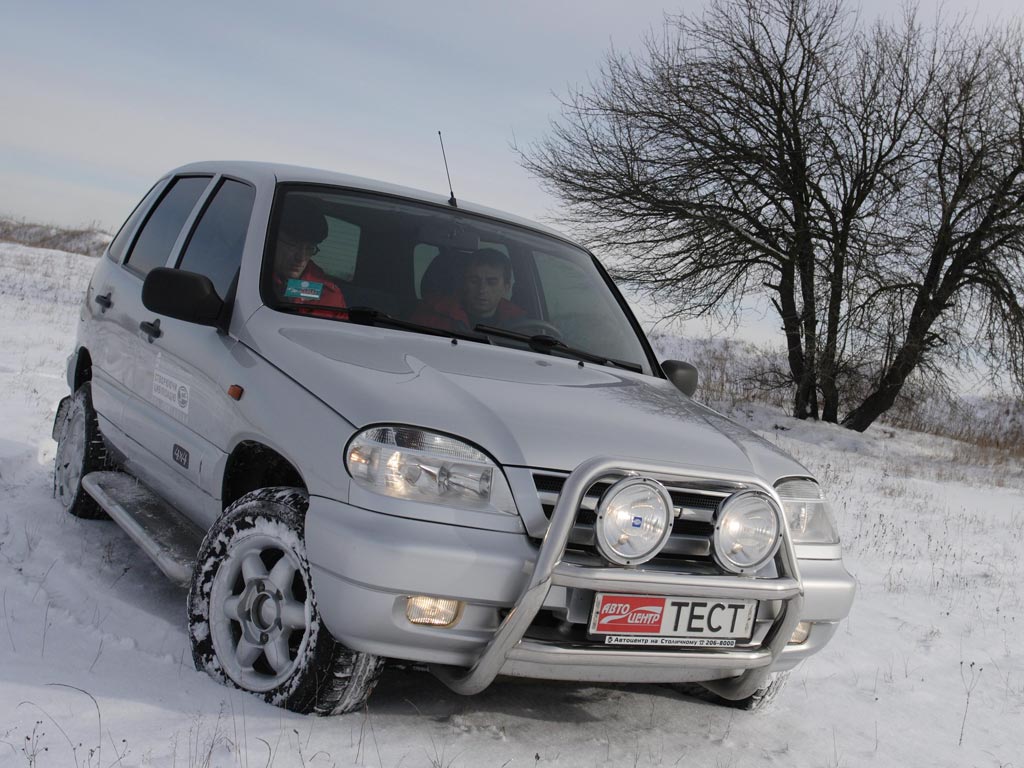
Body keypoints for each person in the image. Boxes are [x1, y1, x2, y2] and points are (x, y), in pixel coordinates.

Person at [414, 247, 525, 331]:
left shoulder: (521, 325)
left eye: (491, 282)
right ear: (464, 283)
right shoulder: (433, 316)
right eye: (474, 281)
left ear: (506, 287)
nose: (482, 289)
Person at [271, 197, 346, 315]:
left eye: (310, 248)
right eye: (293, 245)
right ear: (273, 240)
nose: (301, 258)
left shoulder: (328, 295)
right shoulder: (251, 276)